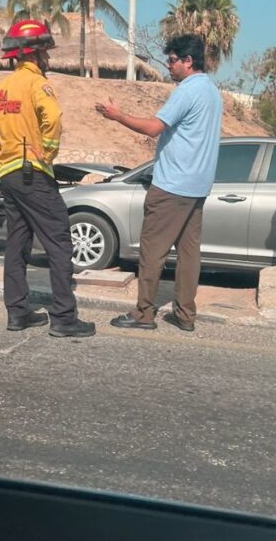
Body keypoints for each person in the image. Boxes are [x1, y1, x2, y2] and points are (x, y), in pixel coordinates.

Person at [95, 34, 223, 332]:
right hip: (198, 186)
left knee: (153, 251)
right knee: (190, 254)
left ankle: (144, 314)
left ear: (189, 61)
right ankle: (185, 315)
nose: (169, 66)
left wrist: (118, 116)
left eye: (173, 60)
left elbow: (154, 128)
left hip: (173, 185)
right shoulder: (212, 92)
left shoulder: (187, 91)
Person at [0, 19, 96, 338]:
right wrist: (45, 155)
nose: (48, 58)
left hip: (8, 175)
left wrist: (3, 161)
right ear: (34, 54)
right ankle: (64, 317)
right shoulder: (37, 85)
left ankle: (17, 313)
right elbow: (54, 117)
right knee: (59, 240)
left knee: (17, 243)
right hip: (33, 173)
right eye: (45, 52)